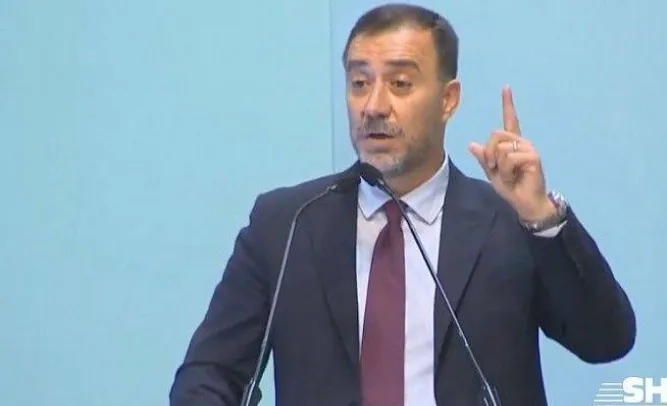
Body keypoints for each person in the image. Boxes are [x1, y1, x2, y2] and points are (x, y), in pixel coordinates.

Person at [169, 3, 636, 406]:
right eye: (359, 83)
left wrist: (540, 217)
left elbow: (605, 340)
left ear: (448, 99)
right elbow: (209, 375)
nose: (373, 105)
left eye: (400, 83)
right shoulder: (286, 225)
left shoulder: (509, 223)